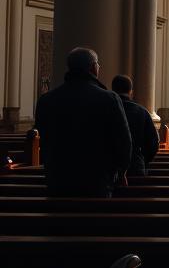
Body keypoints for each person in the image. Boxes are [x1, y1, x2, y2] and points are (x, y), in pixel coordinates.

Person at [34, 47, 132, 197]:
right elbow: (124, 141)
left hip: (58, 181)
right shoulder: (109, 99)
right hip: (97, 181)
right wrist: (120, 171)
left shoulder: (46, 101)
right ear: (93, 67)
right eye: (98, 65)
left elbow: (43, 139)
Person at [111, 74, 159, 176]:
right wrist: (142, 159)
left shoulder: (106, 110)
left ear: (112, 90)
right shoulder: (142, 112)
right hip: (135, 166)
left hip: (110, 167)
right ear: (131, 91)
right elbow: (153, 142)